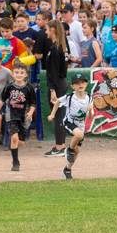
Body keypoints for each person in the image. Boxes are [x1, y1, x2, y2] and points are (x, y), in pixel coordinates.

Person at [48, 73, 93, 180]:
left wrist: (91, 110)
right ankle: (69, 149)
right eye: (77, 83)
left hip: (80, 124)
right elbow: (58, 101)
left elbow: (91, 116)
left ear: (86, 84)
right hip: (69, 121)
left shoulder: (89, 98)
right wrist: (52, 114)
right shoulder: (70, 97)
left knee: (77, 151)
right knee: (78, 135)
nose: (80, 85)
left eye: (82, 82)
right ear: (73, 86)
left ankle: (67, 169)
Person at [1, 63, 36, 171]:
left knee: (21, 142)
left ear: (26, 75)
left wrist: (30, 113)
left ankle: (13, 147)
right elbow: (2, 99)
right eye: (17, 72)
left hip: (24, 116)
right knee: (14, 138)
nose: (19, 74)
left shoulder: (29, 88)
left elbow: (33, 103)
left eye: (22, 73)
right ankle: (15, 162)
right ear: (12, 74)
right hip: (11, 115)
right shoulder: (9, 87)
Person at [43, 20, 69, 157]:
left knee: (58, 116)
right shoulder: (62, 46)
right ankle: (60, 145)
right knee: (59, 115)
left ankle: (60, 147)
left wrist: (52, 90)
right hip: (61, 83)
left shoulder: (55, 48)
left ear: (53, 29)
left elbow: (53, 72)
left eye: (47, 29)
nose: (46, 32)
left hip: (57, 85)